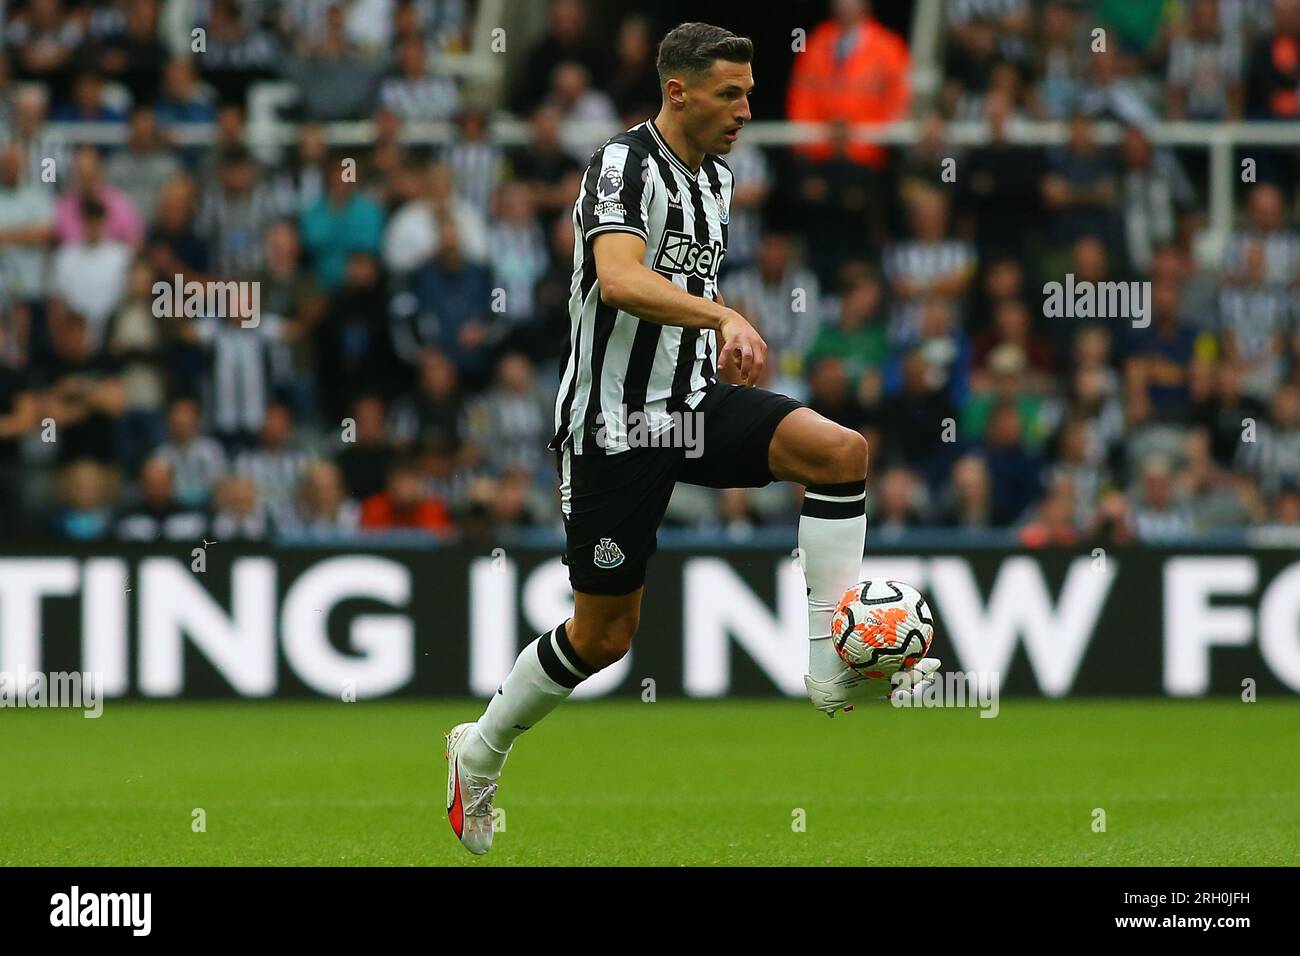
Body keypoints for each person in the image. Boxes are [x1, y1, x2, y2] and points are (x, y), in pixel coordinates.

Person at [443, 21, 940, 857]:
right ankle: (480, 749)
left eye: (750, 93)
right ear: (678, 91)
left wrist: (713, 336)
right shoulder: (621, 164)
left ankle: (829, 663)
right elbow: (621, 278)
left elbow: (677, 286)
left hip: (691, 403)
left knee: (840, 451)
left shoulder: (717, 177)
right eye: (730, 94)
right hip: (615, 427)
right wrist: (723, 314)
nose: (747, 108)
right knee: (603, 636)